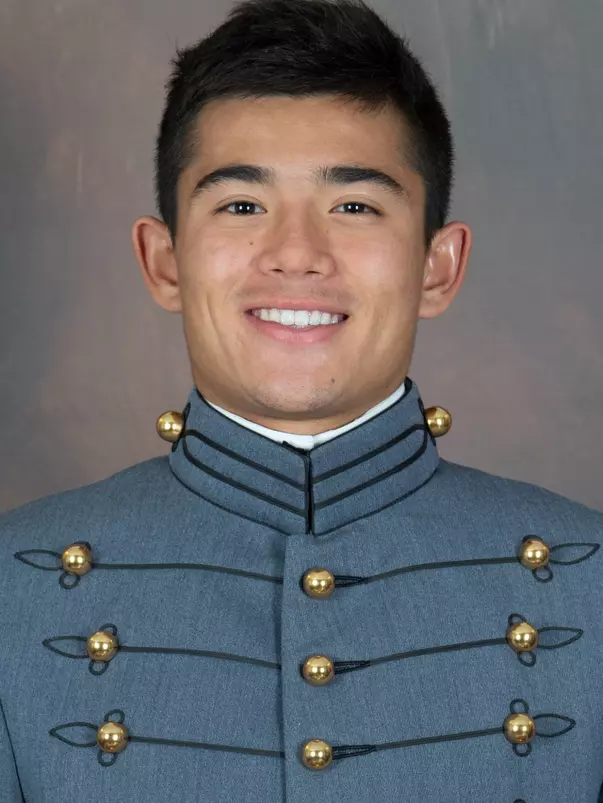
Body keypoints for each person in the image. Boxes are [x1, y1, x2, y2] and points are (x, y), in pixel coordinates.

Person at [1, 0, 602, 800]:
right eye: (241, 205)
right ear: (164, 260)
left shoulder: (587, 581)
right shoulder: (16, 583)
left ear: (437, 267)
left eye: (353, 205)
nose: (295, 255)